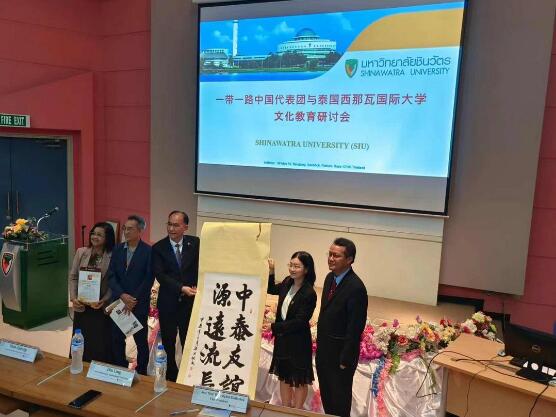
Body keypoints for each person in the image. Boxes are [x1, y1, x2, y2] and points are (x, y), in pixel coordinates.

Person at [315, 238, 368, 417]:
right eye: (329, 254)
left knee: (339, 401)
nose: (331, 258)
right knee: (327, 398)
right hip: (324, 352)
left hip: (340, 357)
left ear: (349, 259)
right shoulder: (330, 278)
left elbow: (355, 327)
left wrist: (345, 359)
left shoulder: (356, 287)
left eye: (336, 256)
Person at [152, 210, 200, 382]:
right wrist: (181, 288)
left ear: (185, 227)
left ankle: (189, 374)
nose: (171, 229)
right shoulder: (158, 248)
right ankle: (171, 375)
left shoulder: (195, 243)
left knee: (189, 341)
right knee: (168, 341)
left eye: (176, 225)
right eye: (169, 224)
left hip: (189, 303)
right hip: (168, 303)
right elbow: (160, 275)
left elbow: (201, 267)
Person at [267, 252, 317, 409]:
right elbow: (271, 289)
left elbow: (300, 322)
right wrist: (271, 271)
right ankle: (285, 409)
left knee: (299, 380)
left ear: (306, 269)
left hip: (298, 342)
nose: (292, 269)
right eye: (291, 265)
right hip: (283, 340)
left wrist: (274, 327)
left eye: (297, 266)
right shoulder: (287, 282)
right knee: (284, 377)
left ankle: (297, 411)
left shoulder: (309, 293)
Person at [107, 214, 154, 374]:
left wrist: (133, 299)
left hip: (137, 303)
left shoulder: (148, 251)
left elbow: (148, 278)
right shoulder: (118, 249)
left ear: (140, 231)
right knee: (116, 338)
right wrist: (122, 295)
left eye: (130, 229)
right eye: (125, 228)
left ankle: (141, 372)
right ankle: (119, 369)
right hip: (120, 302)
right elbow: (111, 275)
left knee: (140, 341)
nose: (126, 232)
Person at [69, 222, 115, 363]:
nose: (94, 237)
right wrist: (74, 298)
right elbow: (73, 277)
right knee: (80, 340)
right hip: (82, 305)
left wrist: (104, 299)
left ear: (107, 238)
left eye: (99, 235)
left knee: (99, 342)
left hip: (100, 306)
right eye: (93, 233)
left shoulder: (113, 255)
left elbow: (114, 282)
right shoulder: (81, 252)